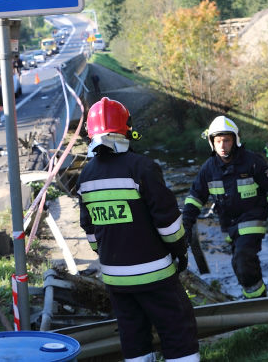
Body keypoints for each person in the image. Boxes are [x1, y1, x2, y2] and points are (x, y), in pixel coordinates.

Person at [77, 97, 199, 362]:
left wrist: (109, 254)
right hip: (155, 274)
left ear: (90, 133)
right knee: (178, 331)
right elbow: (168, 225)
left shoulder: (85, 176)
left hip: (115, 279)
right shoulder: (143, 168)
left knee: (133, 336)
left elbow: (90, 230)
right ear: (126, 129)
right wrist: (180, 252)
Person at [182, 115, 268, 299]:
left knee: (243, 260)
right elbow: (195, 198)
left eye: (227, 140)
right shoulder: (209, 168)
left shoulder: (252, 161)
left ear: (235, 140)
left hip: (252, 218)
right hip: (228, 225)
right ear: (212, 143)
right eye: (218, 141)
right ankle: (256, 300)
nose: (222, 146)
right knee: (240, 267)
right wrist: (186, 225)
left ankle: (258, 304)